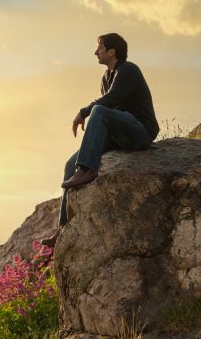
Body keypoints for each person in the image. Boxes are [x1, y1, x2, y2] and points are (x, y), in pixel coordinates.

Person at [42, 33, 159, 248]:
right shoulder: (106, 78)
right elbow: (110, 109)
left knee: (99, 110)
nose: (96, 52)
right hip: (120, 135)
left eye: (100, 48)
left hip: (140, 132)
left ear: (112, 51)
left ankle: (87, 169)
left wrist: (84, 111)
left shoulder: (128, 70)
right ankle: (63, 229)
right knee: (70, 164)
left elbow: (111, 101)